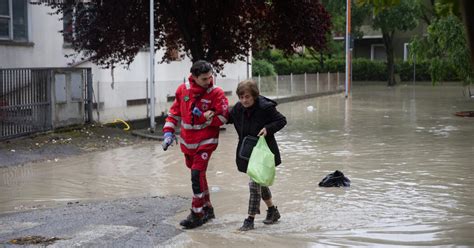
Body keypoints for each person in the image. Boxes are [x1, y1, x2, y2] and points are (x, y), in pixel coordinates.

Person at [162, 60, 229, 229]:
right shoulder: (182, 90)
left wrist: (207, 117)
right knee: (199, 175)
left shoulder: (217, 93)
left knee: (196, 175)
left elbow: (223, 118)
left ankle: (197, 213)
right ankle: (208, 209)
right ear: (194, 77)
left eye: (210, 77)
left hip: (206, 141)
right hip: (188, 142)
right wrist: (168, 133)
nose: (209, 81)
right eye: (204, 79)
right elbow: (174, 113)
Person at [228, 79, 287, 231]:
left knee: (254, 186)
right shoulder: (238, 109)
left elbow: (282, 120)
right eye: (241, 97)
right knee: (260, 182)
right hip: (247, 153)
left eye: (247, 97)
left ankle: (249, 220)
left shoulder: (265, 108)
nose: (244, 100)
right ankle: (273, 211)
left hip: (263, 153)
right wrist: (212, 115)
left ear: (254, 95)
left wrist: (268, 129)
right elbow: (228, 117)